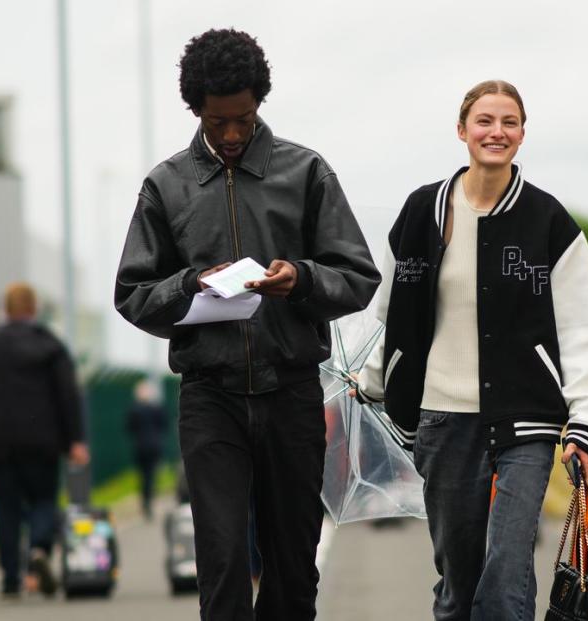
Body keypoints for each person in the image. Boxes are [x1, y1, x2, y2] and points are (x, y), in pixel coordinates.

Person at [114, 28, 379, 620]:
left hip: (291, 393)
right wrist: (189, 285)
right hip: (211, 397)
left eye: (244, 118)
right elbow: (132, 293)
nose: (232, 135)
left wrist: (303, 280)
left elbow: (357, 276)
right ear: (196, 111)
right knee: (223, 558)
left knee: (292, 565)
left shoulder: (306, 171)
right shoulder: (167, 185)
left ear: (259, 102)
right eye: (217, 122)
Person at [354, 80, 588, 621]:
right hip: (442, 421)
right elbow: (390, 313)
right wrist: (380, 381)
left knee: (504, 574)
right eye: (485, 121)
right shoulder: (422, 212)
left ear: (522, 134)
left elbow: (585, 328)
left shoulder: (548, 221)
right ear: (462, 130)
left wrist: (587, 421)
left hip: (527, 422)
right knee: (458, 583)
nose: (497, 132)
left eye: (509, 122)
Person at [0, 282, 89, 598]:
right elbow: (68, 395)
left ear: (6, 308)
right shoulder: (49, 344)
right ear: (33, 308)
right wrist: (75, 441)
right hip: (42, 441)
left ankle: (10, 579)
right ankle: (39, 550)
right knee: (43, 500)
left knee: (6, 508)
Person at [125, 380, 167, 520]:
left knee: (143, 475)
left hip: (140, 446)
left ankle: (145, 500)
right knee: (152, 474)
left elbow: (129, 427)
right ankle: (149, 499)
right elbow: (163, 424)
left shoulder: (133, 410)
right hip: (154, 445)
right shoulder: (155, 408)